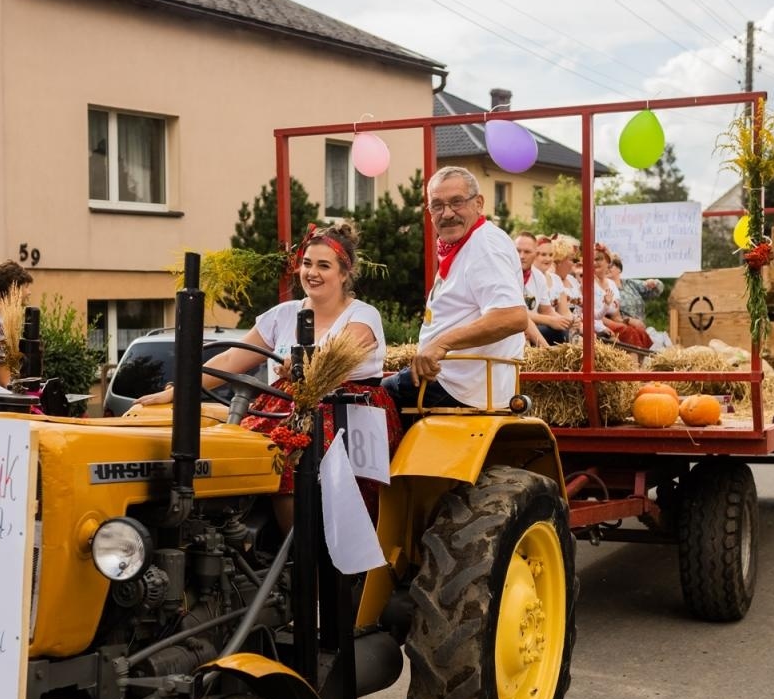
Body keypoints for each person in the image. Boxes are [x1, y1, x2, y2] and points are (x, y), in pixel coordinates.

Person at [137, 222, 398, 530]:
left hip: (346, 411)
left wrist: (304, 363)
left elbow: (338, 353)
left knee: (285, 459)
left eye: (324, 265)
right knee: (231, 452)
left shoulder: (363, 315)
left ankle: (306, 563)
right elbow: (232, 358)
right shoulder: (284, 314)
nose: (312, 272)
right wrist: (180, 390)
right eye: (307, 263)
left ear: (344, 273)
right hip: (286, 407)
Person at [383, 166, 527, 411]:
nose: (447, 213)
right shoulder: (467, 244)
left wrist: (440, 344)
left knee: (367, 397)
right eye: (437, 206)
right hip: (459, 381)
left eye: (457, 202)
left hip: (460, 388)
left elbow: (512, 316)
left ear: (478, 203)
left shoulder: (485, 246)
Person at [0, 260, 33, 389]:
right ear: (13, 287)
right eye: (26, 286)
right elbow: (4, 382)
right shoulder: (0, 327)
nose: (29, 292)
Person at [516, 231, 571, 345]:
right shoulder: (507, 274)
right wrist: (550, 320)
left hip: (532, 328)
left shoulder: (539, 276)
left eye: (527, 252)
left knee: (562, 332)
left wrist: (564, 321)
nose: (521, 256)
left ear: (534, 253)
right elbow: (516, 313)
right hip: (514, 330)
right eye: (518, 251)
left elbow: (547, 310)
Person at [593, 246, 653, 349]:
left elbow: (616, 316)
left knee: (639, 331)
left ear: (608, 262)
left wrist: (630, 322)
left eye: (599, 259)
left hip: (612, 320)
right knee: (628, 332)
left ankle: (639, 362)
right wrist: (623, 326)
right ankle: (632, 363)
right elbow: (594, 315)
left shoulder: (611, 284)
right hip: (597, 321)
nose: (595, 262)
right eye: (593, 259)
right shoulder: (590, 282)